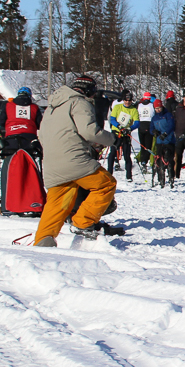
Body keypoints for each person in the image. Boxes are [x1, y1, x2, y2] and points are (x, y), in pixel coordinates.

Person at [33, 75, 118, 246]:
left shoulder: (52, 106)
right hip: (74, 159)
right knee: (106, 184)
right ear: (89, 90)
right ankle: (83, 222)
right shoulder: (79, 102)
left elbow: (42, 134)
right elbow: (89, 131)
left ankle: (43, 240)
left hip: (51, 162)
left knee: (57, 202)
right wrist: (112, 139)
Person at [0, 86, 43, 156]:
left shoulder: (8, 106)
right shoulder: (34, 107)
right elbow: (40, 124)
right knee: (31, 156)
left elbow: (1, 122)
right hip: (29, 139)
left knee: (10, 157)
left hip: (11, 138)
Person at [108, 90, 139, 181]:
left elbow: (137, 123)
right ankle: (109, 173)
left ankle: (129, 176)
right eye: (126, 100)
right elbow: (112, 119)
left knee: (127, 154)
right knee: (112, 153)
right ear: (123, 100)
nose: (127, 102)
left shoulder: (133, 110)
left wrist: (130, 128)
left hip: (126, 134)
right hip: (116, 133)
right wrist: (118, 125)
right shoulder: (117, 107)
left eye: (129, 100)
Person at [150, 98, 176, 179]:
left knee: (169, 158)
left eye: (159, 108)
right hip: (159, 141)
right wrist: (153, 131)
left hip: (169, 140)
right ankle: (160, 176)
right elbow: (151, 128)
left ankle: (171, 175)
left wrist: (165, 134)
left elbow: (171, 126)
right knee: (159, 159)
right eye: (156, 108)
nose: (158, 110)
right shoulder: (154, 118)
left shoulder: (168, 115)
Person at [137, 93, 155, 164]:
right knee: (148, 146)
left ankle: (142, 159)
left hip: (141, 125)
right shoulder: (152, 105)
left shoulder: (139, 105)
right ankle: (145, 160)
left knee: (142, 145)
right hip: (149, 125)